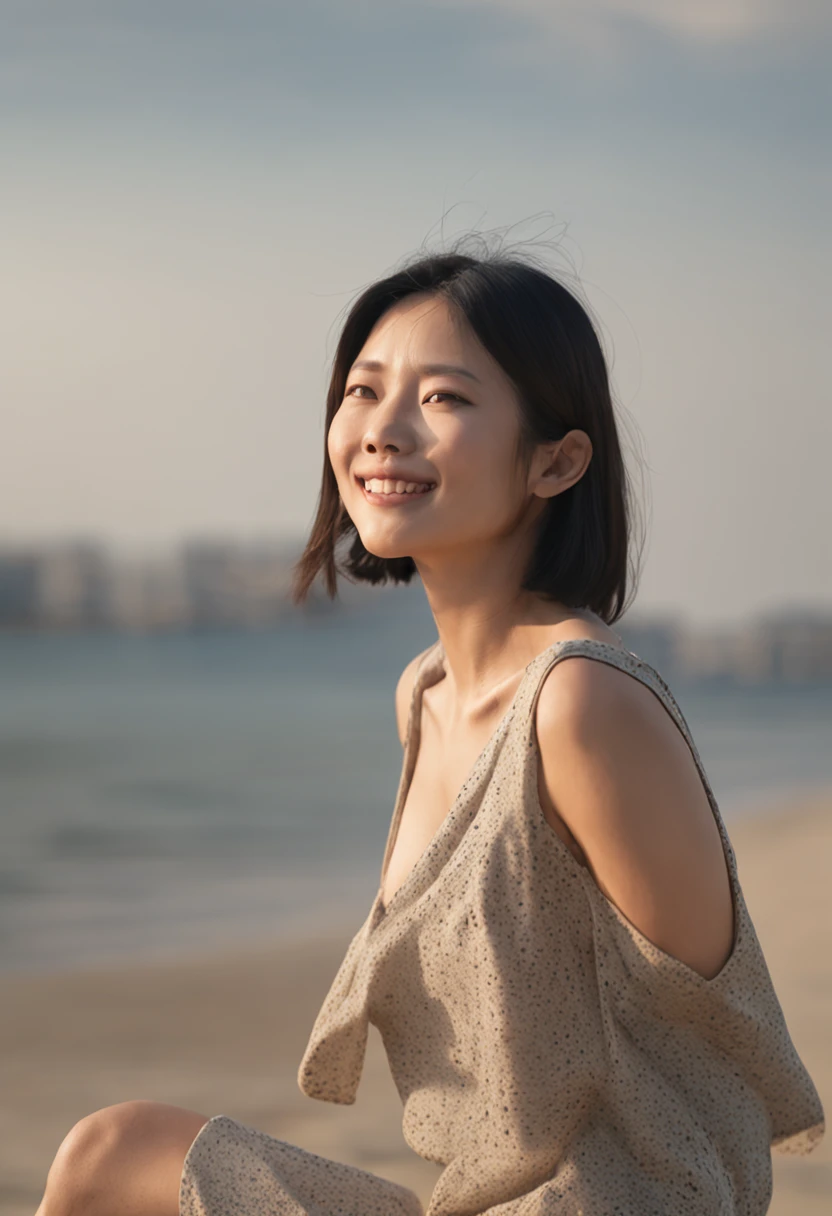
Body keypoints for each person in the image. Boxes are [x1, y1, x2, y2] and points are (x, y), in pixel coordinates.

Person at [34, 247, 824, 1216]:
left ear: (555, 460)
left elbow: (720, 1058)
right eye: (364, 390)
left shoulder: (581, 706)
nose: (381, 431)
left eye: (443, 398)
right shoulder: (428, 693)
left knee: (111, 1155)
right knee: (109, 1153)